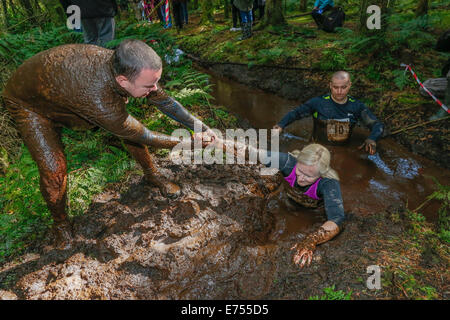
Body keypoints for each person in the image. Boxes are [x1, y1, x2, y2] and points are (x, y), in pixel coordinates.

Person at [2, 39, 215, 248]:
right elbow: (144, 136)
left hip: (65, 91)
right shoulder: (98, 96)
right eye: (149, 85)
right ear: (123, 81)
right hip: (29, 106)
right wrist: (190, 144)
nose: (155, 88)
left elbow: (165, 101)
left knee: (124, 127)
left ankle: (152, 174)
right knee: (53, 170)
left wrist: (200, 127)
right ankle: (60, 224)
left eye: (156, 82)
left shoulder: (126, 67)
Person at [255, 144, 345, 268]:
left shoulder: (328, 183)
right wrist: (220, 142)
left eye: (309, 176)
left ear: (321, 174)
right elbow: (253, 153)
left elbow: (337, 219)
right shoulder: (288, 162)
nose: (301, 179)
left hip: (311, 209)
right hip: (288, 200)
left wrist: (311, 240)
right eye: (300, 171)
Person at [273, 71, 384, 155]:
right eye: (335, 87)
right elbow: (296, 113)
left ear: (349, 85)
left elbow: (377, 125)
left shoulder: (357, 106)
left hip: (342, 152)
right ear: (330, 85)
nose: (339, 91)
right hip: (316, 149)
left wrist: (372, 139)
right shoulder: (318, 103)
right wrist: (281, 125)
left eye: (343, 87)